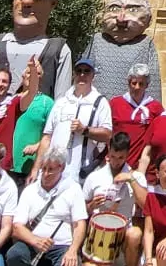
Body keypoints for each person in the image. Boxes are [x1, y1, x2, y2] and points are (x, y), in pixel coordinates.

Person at [5, 149, 87, 266]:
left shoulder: (73, 189)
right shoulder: (30, 190)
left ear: (61, 168)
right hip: (33, 245)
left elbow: (79, 223)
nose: (46, 174)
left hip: (62, 246)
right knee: (14, 256)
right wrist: (35, 240)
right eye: (44, 169)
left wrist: (73, 250)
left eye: (51, 169)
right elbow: (17, 226)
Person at [79, 131, 147, 266]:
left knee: (135, 234)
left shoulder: (136, 176)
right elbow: (81, 210)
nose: (116, 161)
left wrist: (131, 180)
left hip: (124, 231)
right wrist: (91, 205)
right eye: (113, 156)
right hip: (100, 233)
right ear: (108, 151)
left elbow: (146, 204)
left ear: (127, 154)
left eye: (121, 158)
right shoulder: (95, 177)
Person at [37, 53, 114, 185]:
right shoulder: (61, 102)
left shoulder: (100, 103)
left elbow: (108, 134)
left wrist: (85, 130)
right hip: (53, 172)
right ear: (74, 74)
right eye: (79, 71)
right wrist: (37, 168)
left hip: (80, 173)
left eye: (87, 71)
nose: (82, 75)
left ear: (93, 76)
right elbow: (47, 137)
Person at [86, 0, 164, 106]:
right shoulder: (97, 41)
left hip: (129, 111)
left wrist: (153, 111)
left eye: (132, 10)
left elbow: (153, 87)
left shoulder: (145, 44)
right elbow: (82, 75)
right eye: (115, 9)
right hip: (95, 108)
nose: (121, 19)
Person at [110, 64, 162, 171]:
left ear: (147, 85)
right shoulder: (115, 103)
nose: (137, 87)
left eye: (141, 84)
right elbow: (107, 133)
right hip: (117, 163)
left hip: (142, 167)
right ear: (128, 83)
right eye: (134, 83)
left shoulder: (155, 107)